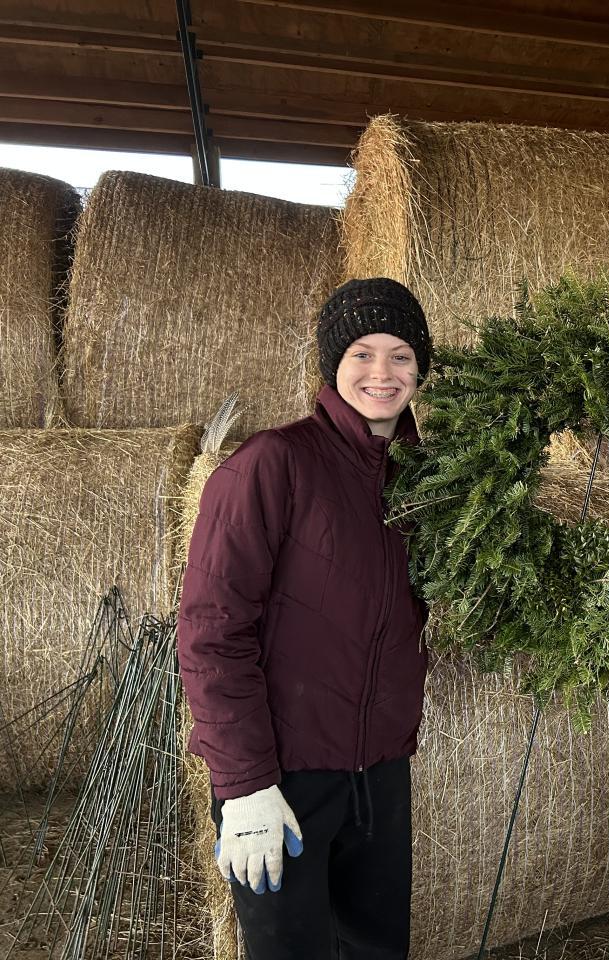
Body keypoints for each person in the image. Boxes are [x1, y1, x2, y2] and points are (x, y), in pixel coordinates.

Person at [177, 277, 433, 959]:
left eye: (401, 355)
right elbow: (211, 634)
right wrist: (245, 786)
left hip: (379, 776)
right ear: (332, 365)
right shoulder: (272, 464)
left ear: (420, 369)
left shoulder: (421, 482)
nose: (382, 373)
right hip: (282, 780)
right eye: (362, 354)